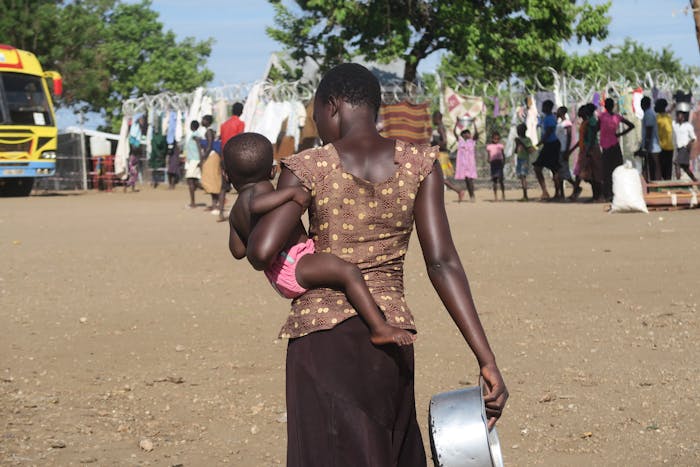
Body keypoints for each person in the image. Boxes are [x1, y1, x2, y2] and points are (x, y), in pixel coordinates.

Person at [245, 63, 507, 465]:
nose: (317, 125)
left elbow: (262, 250)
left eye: (317, 115)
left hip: (323, 340)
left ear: (332, 106)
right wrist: (485, 358)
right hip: (391, 336)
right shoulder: (420, 164)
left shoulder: (307, 167)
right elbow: (442, 263)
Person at [224, 132, 416, 347]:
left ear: (226, 176)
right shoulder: (262, 191)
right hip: (294, 264)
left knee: (340, 273)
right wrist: (291, 195)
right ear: (272, 170)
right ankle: (379, 327)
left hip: (278, 274)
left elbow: (237, 250)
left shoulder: (234, 212)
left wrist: (245, 226)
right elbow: (256, 205)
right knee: (348, 272)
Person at [599, 98, 635, 201]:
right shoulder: (617, 117)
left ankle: (607, 193)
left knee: (606, 170)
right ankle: (617, 192)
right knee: (617, 169)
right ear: (613, 106)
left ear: (605, 106)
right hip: (615, 144)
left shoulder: (602, 117)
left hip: (606, 146)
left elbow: (597, 128)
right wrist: (619, 134)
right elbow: (631, 126)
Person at [431, 111, 465, 201]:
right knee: (437, 176)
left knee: (440, 177)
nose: (432, 120)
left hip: (441, 155)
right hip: (441, 154)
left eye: (433, 118)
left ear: (437, 118)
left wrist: (436, 146)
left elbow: (445, 141)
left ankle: (458, 191)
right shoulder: (440, 127)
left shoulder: (440, 128)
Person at [533, 100, 560, 200]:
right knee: (539, 168)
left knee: (553, 169)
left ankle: (556, 193)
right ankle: (546, 191)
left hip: (551, 145)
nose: (542, 108)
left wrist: (540, 142)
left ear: (548, 107)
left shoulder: (550, 119)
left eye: (544, 106)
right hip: (548, 145)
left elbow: (549, 131)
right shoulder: (545, 118)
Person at [453, 119, 478, 202]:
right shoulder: (460, 141)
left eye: (469, 133)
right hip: (463, 165)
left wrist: (474, 123)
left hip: (470, 165)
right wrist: (456, 123)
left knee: (470, 180)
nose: (468, 134)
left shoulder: (472, 141)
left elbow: (477, 134)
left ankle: (472, 196)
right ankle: (472, 195)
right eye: (466, 133)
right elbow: (454, 133)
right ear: (463, 135)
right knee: (467, 180)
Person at [555, 106, 576, 199]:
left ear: (562, 112)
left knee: (564, 172)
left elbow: (569, 136)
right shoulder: (559, 123)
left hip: (563, 149)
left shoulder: (567, 123)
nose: (557, 112)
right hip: (558, 149)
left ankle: (576, 186)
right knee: (559, 172)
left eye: (558, 111)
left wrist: (567, 150)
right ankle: (562, 194)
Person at [672, 103, 697, 181]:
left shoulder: (688, 126)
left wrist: (688, 145)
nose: (678, 116)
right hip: (679, 149)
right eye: (677, 115)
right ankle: (695, 180)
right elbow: (669, 117)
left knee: (676, 162)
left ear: (683, 117)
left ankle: (678, 181)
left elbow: (693, 138)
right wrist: (672, 108)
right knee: (685, 168)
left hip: (685, 148)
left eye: (680, 115)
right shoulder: (675, 125)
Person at [641, 96, 662, 181]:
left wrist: (646, 145)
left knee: (655, 164)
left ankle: (657, 182)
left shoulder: (648, 114)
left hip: (653, 145)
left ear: (643, 105)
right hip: (651, 144)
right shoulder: (648, 113)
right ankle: (650, 182)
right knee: (648, 165)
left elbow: (649, 130)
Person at [184, 120, 203, 207]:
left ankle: (193, 203)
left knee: (190, 180)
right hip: (193, 160)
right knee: (194, 181)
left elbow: (199, 147)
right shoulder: (194, 135)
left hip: (195, 160)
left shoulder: (195, 135)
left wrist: (201, 160)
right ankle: (212, 192)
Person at [514, 123, 534, 201]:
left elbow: (530, 150)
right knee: (521, 177)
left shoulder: (528, 140)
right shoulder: (518, 140)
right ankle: (524, 195)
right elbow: (516, 151)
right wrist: (517, 144)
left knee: (523, 177)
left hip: (525, 160)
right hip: (519, 159)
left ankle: (525, 196)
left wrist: (521, 143)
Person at [655, 99, 674, 180]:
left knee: (662, 169)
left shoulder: (658, 118)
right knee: (667, 170)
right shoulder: (668, 117)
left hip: (662, 147)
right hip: (669, 147)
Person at [486, 131, 505, 201]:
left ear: (499, 139)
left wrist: (503, 162)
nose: (496, 140)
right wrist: (488, 159)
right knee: (494, 180)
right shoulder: (489, 146)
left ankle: (503, 194)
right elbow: (488, 155)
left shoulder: (501, 146)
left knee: (501, 180)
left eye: (497, 139)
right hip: (493, 163)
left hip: (499, 163)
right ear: (492, 139)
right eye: (494, 139)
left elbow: (503, 155)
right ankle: (495, 196)